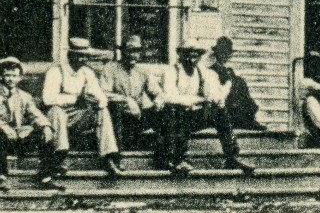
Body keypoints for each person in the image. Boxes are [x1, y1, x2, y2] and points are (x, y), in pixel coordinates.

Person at [158, 44, 254, 177]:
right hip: (171, 120)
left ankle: (231, 156)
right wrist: (198, 100)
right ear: (181, 55)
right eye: (189, 53)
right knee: (175, 109)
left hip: (192, 117)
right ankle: (176, 159)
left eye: (196, 54)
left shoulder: (201, 72)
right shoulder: (171, 71)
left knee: (221, 111)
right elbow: (170, 97)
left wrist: (215, 99)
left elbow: (211, 92)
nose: (193, 57)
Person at [42, 36, 119, 179]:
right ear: (70, 55)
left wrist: (97, 101)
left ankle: (108, 157)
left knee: (103, 111)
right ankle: (60, 156)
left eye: (85, 56)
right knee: (56, 111)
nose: (83, 60)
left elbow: (101, 96)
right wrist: (75, 99)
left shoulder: (86, 72)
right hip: (58, 117)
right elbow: (48, 99)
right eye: (79, 56)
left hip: (77, 116)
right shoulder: (55, 72)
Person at [0, 57, 58, 190]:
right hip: (3, 139)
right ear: (1, 76)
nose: (10, 79)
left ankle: (45, 177)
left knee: (46, 134)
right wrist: (5, 128)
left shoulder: (24, 96)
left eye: (14, 76)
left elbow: (34, 113)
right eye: (7, 75)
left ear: (19, 78)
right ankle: (1, 177)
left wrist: (45, 126)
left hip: (16, 138)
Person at [101, 36, 157, 170]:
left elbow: (156, 91)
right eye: (130, 51)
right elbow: (104, 93)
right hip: (119, 117)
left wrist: (159, 99)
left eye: (137, 51)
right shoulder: (110, 68)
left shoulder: (143, 71)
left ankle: (166, 157)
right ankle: (117, 158)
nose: (133, 55)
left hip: (137, 117)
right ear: (123, 52)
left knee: (164, 110)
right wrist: (127, 100)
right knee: (114, 109)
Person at [209, 37, 263, 131]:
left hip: (235, 107)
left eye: (227, 53)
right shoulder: (211, 71)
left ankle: (247, 116)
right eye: (222, 52)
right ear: (216, 53)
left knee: (240, 82)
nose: (224, 56)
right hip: (222, 109)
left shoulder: (230, 72)